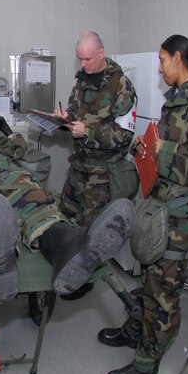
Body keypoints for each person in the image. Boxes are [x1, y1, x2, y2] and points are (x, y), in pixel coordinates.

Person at [100, 34, 188, 374]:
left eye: (161, 60)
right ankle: (134, 330)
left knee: (164, 288)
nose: (159, 67)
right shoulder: (177, 102)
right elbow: (170, 149)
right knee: (150, 276)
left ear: (177, 58)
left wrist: (166, 152)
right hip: (162, 205)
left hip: (182, 215)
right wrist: (150, 148)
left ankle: (147, 361)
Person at [0, 116, 134, 300]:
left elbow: (19, 148)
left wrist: (7, 130)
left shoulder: (0, 139)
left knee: (33, 198)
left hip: (9, 170)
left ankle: (66, 243)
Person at [54, 31, 137, 300]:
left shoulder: (121, 86)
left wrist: (86, 133)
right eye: (80, 59)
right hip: (79, 166)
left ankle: (82, 282)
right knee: (66, 218)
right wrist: (66, 119)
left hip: (101, 175)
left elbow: (124, 135)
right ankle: (65, 270)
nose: (84, 65)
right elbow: (77, 114)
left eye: (88, 59)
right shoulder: (82, 81)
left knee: (92, 231)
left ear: (101, 53)